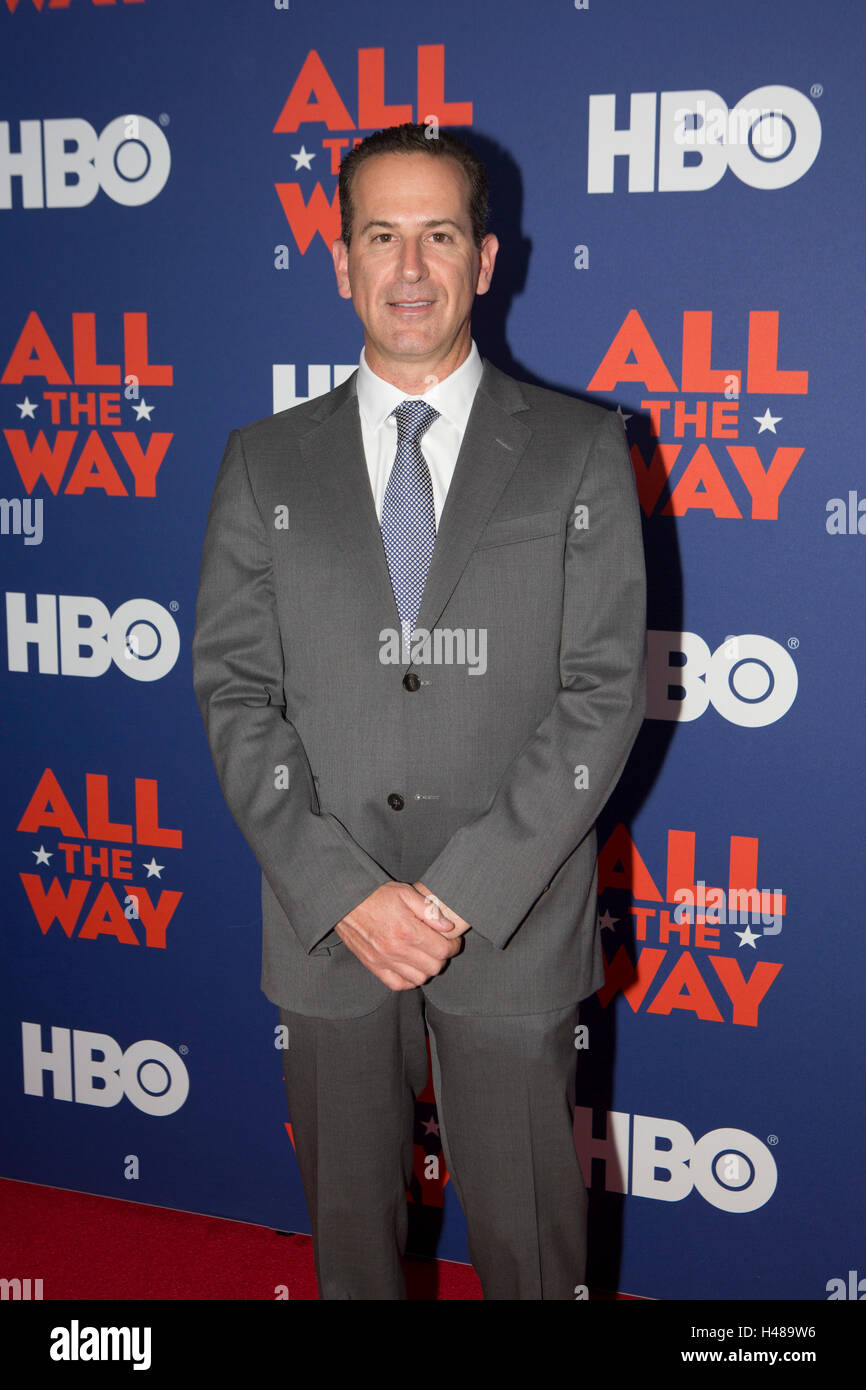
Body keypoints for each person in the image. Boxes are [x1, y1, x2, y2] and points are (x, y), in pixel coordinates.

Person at [192, 123, 646, 1300]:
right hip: (324, 930)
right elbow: (235, 692)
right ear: (338, 260)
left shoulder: (580, 451)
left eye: (436, 234)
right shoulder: (260, 463)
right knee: (351, 1251)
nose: (407, 267)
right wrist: (345, 891)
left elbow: (599, 695)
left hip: (512, 924)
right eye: (378, 235)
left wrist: (454, 896)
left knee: (532, 1250)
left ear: (484, 260)